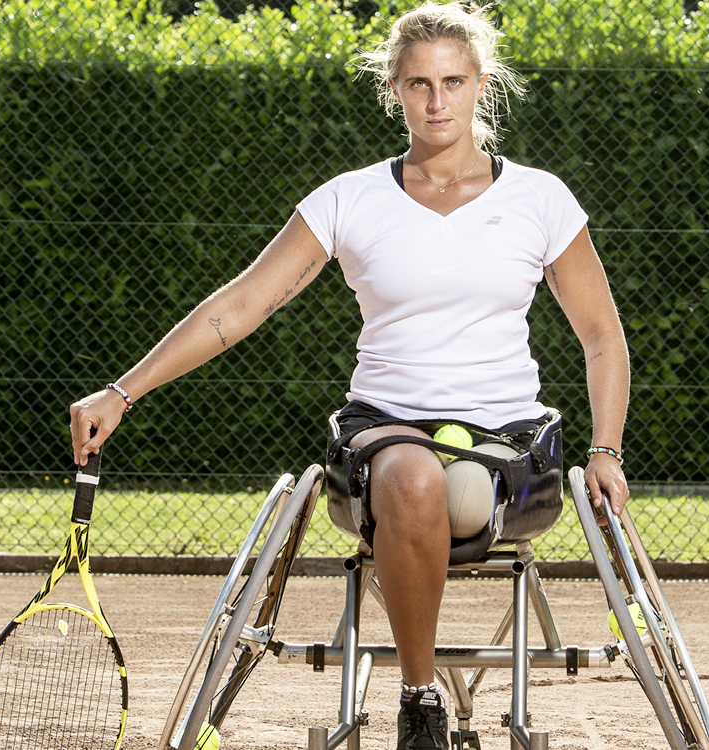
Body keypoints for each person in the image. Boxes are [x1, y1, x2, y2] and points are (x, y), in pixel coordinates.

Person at [69, 2, 630, 748]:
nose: (438, 101)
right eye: (420, 83)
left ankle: (420, 686)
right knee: (414, 479)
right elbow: (241, 305)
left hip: (510, 445)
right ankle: (419, 701)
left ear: (481, 85)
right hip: (384, 436)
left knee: (446, 481)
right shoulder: (349, 199)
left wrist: (606, 448)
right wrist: (124, 388)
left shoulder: (540, 199)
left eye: (454, 82)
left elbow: (602, 336)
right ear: (393, 89)